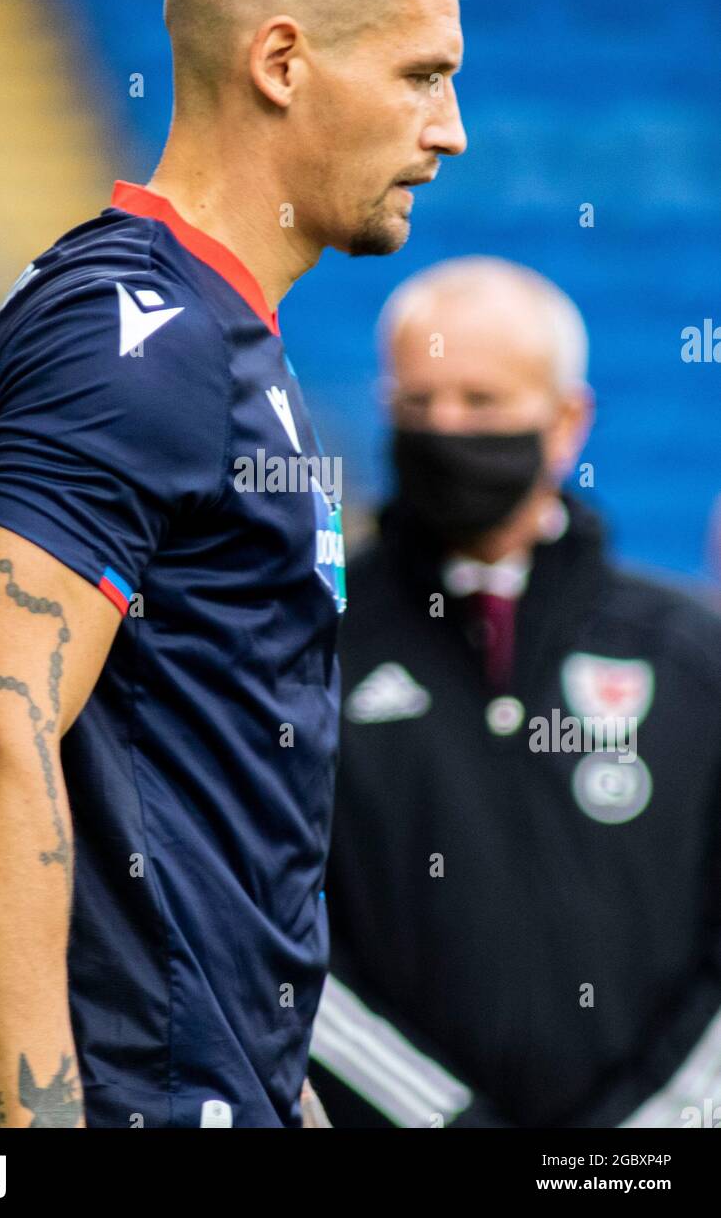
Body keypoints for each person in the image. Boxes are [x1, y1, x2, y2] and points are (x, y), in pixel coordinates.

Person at [0, 0, 467, 1128]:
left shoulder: (215, 337)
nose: (448, 129)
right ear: (281, 63)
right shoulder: (137, 339)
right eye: (421, 75)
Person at [309, 256, 721, 1128]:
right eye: (418, 405)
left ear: (568, 421)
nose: (446, 428)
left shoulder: (691, 656)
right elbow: (272, 940)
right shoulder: (310, 650)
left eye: (482, 403)